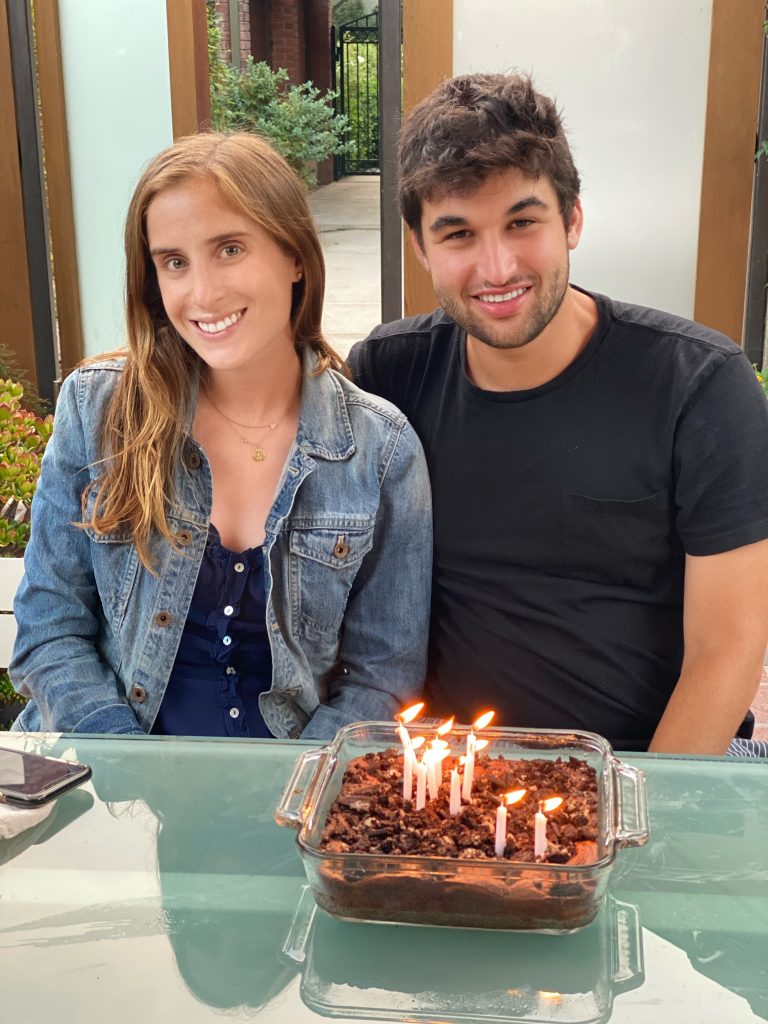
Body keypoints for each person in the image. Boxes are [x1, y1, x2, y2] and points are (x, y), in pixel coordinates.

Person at [348, 73, 768, 755]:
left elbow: (729, 648)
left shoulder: (697, 385)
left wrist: (635, 824)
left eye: (522, 222)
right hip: (450, 785)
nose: (496, 266)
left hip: (651, 768)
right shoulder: (389, 377)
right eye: (457, 234)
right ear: (420, 247)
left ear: (571, 218)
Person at [10, 132, 432, 740]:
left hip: (290, 804)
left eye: (230, 249)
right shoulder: (99, 410)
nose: (202, 294)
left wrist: (288, 798)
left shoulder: (380, 450)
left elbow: (383, 679)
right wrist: (134, 765)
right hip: (111, 790)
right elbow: (50, 628)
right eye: (174, 262)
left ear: (294, 257)